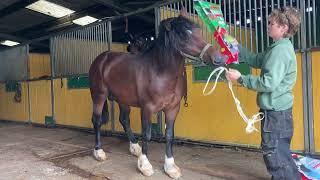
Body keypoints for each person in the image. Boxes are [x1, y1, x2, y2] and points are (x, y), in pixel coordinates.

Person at [225, 7, 302, 180]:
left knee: (275, 156)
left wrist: (241, 78)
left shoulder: (280, 51)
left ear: (283, 28)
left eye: (271, 23)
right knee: (279, 155)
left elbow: (269, 83)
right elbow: (255, 59)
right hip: (278, 113)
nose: (267, 26)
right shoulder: (276, 48)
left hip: (276, 114)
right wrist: (237, 47)